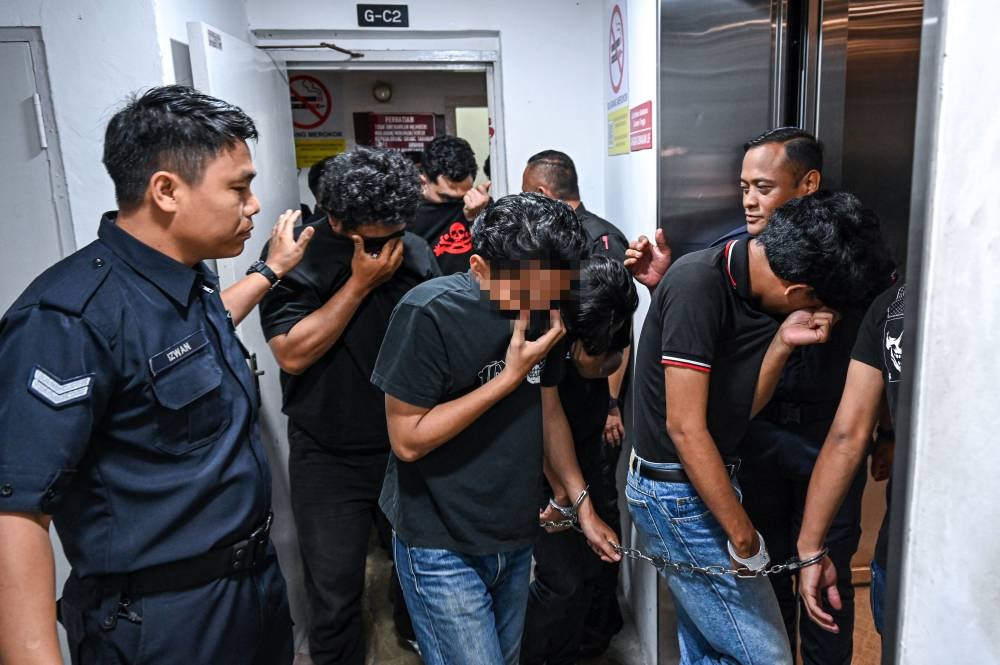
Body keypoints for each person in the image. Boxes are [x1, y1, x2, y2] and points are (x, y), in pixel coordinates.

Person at [0, 85, 314, 664]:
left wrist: (270, 270)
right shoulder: (68, 318)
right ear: (166, 190)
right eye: (238, 188)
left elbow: (182, 345)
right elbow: (15, 510)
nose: (253, 205)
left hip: (250, 590)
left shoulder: (188, 279)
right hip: (163, 619)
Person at [628, 128, 880, 664]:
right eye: (744, 186)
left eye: (763, 187)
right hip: (717, 466)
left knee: (769, 613)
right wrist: (744, 538)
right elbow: (686, 425)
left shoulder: (836, 257)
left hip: (813, 441)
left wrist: (784, 343)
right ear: (796, 295)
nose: (749, 200)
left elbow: (731, 404)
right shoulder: (721, 269)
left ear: (807, 184)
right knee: (763, 645)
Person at [372, 193, 621, 665]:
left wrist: (582, 506)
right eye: (527, 293)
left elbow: (549, 412)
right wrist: (507, 379)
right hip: (440, 542)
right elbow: (407, 440)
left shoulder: (546, 307)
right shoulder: (428, 313)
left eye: (553, 291)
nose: (541, 305)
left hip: (513, 533)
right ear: (480, 268)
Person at [258, 147, 437, 664]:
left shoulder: (414, 248)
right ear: (336, 220)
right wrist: (360, 284)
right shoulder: (298, 254)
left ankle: (416, 641)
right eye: (374, 238)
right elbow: (292, 353)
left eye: (396, 232)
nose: (388, 248)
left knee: (420, 575)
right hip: (328, 453)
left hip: (408, 446)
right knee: (334, 590)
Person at [521, 149, 631, 656]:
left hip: (583, 412)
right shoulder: (532, 271)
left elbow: (615, 340)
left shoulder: (601, 242)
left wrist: (610, 403)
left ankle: (591, 640)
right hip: (543, 417)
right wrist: (564, 498)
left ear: (545, 192)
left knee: (590, 548)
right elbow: (543, 407)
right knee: (563, 572)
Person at [797, 281, 905, 664]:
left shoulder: (894, 303)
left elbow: (849, 435)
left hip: (907, 550)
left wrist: (810, 548)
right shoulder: (890, 306)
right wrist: (810, 547)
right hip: (908, 551)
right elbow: (849, 434)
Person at [410, 135, 491, 274]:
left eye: (464, 196)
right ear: (424, 181)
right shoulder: (408, 215)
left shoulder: (480, 204)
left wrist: (476, 218)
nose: (463, 202)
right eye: (447, 197)